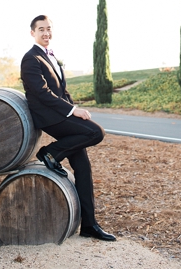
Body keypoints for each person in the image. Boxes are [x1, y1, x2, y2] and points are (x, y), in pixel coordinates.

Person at [20, 14, 117, 242]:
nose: (46, 33)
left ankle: (90, 225)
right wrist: (72, 111)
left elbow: (61, 90)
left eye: (49, 29)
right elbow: (42, 93)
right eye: (41, 29)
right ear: (32, 32)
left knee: (83, 168)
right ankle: (50, 152)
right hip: (49, 117)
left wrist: (74, 106)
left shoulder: (50, 56)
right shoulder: (30, 58)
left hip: (59, 113)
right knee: (95, 132)